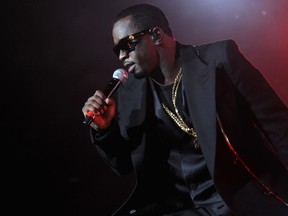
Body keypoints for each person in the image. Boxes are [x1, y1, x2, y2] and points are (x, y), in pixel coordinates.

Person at [81, 3, 288, 216]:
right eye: (117, 50)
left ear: (156, 35)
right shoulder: (130, 92)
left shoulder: (219, 59)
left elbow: (276, 125)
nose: (121, 56)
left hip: (238, 198)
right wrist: (105, 130)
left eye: (127, 44)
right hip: (181, 206)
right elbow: (123, 166)